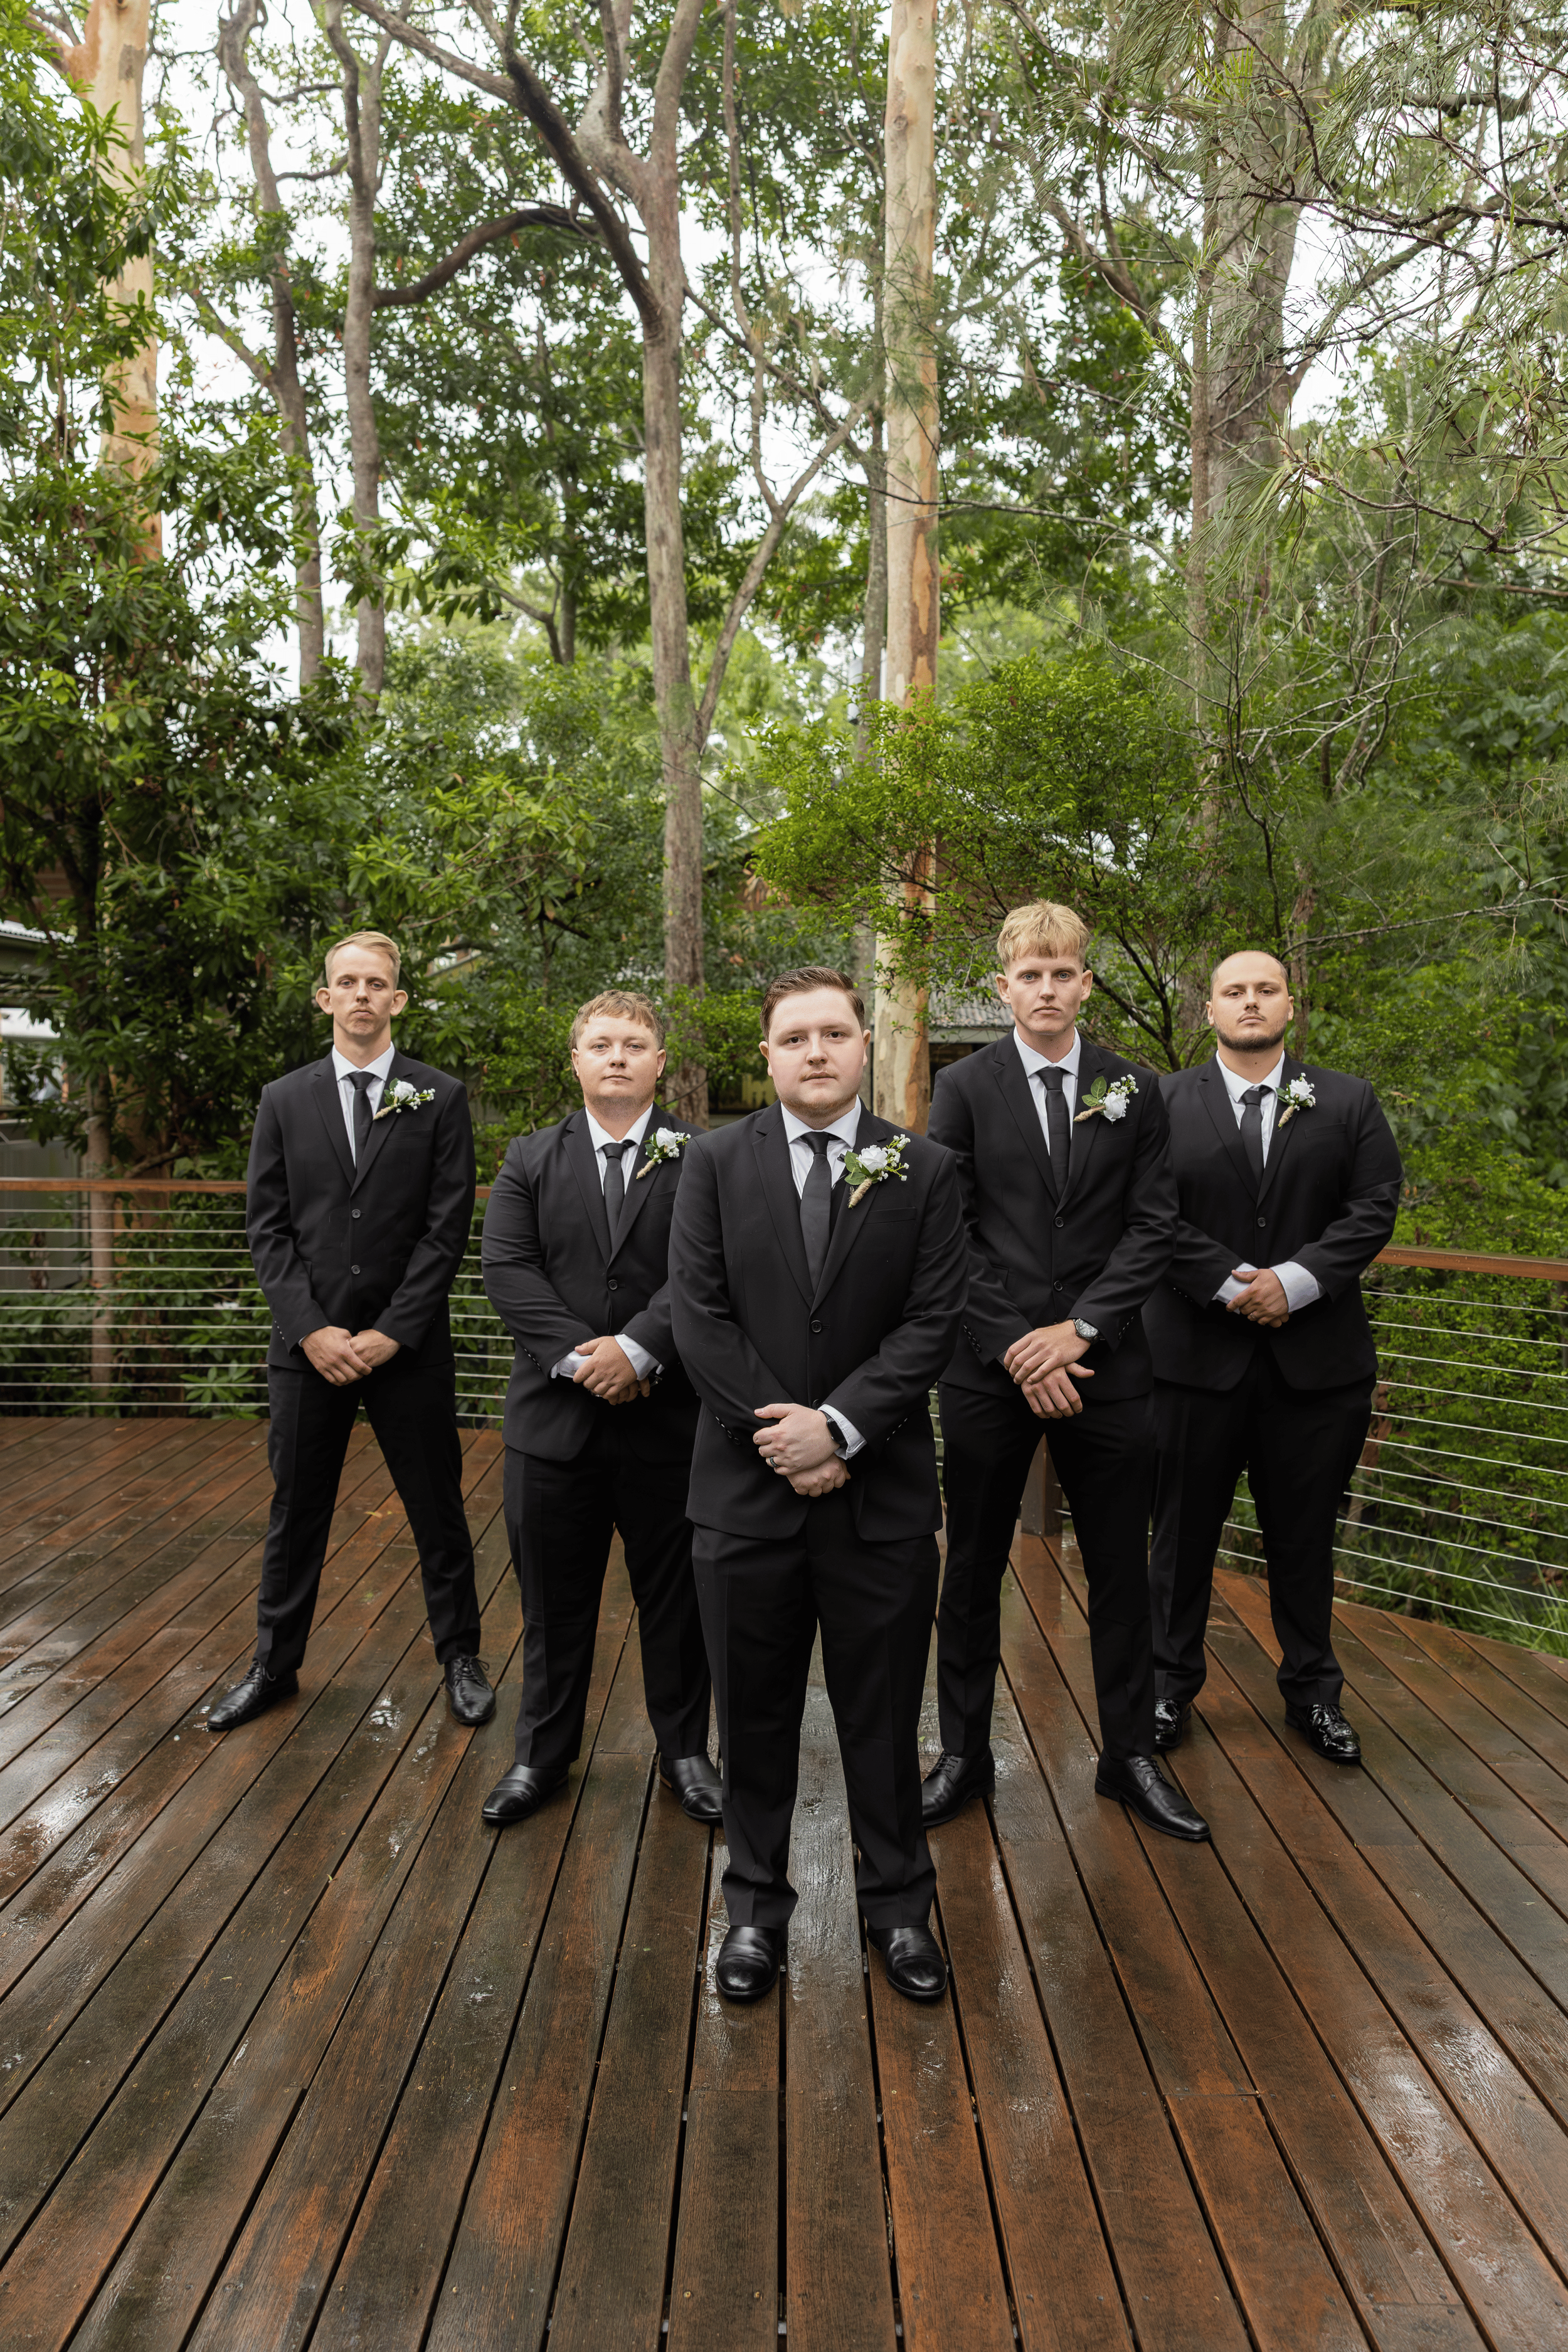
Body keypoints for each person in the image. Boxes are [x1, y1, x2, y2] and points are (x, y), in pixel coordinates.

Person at [668, 967, 968, 2005]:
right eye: (794, 1037)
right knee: (751, 1719)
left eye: (834, 1033)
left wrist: (839, 1427)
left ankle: (898, 1910)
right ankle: (754, 1909)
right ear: (768, 1053)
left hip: (878, 1497)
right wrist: (784, 1436)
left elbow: (933, 1321)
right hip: (743, 1498)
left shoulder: (923, 1168)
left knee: (881, 1718)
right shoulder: (709, 1163)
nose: (815, 1052)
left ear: (863, 1044)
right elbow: (698, 1317)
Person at [924, 902, 1209, 1841]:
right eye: (1029, 975)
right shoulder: (963, 1087)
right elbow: (949, 1232)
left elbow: (1153, 1224)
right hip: (988, 1366)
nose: (1046, 989)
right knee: (970, 1563)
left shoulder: (1138, 1088)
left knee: (1124, 1564)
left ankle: (1129, 1753)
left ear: (1086, 982)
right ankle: (963, 1752)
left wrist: (1080, 1330)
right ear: (1002, 985)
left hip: (1106, 1366)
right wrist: (1018, 1344)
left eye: (1062, 973)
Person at [211, 930, 494, 1732]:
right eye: (348, 982)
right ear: (325, 998)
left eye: (378, 983)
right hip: (310, 1351)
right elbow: (267, 1229)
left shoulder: (439, 1096)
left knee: (436, 1506)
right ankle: (274, 1663)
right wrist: (310, 1330)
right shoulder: (283, 1099)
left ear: (398, 1000)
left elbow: (446, 1231)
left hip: (407, 1350)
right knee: (296, 1509)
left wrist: (392, 1333)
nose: (363, 994)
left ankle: (461, 1657)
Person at [1144, 950, 1402, 1764]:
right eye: (1234, 991)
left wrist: (1295, 1282)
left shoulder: (1348, 1100)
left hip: (1315, 1367)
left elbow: (1372, 1208)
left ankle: (1313, 1694)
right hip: (1192, 1360)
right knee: (1180, 1536)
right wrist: (1227, 1283)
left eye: (1264, 988)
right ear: (1210, 1009)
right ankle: (1163, 1687)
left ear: (1290, 1003)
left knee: (1303, 1537)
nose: (1250, 1001)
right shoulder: (1163, 1102)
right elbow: (1147, 1211)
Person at [477, 990, 719, 1826]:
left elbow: (707, 1273)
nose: (618, 1055)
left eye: (635, 1043)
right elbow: (509, 1271)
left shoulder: (703, 1158)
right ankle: (541, 1755)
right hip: (554, 1427)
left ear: (660, 1061)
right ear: (575, 1060)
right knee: (552, 1602)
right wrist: (589, 1361)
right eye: (601, 1043)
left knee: (678, 1603)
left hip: (670, 1425)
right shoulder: (529, 1158)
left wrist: (641, 1349)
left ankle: (687, 1753)